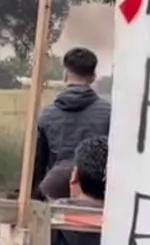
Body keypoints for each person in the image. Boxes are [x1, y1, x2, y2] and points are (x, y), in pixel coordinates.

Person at [33, 47, 111, 201]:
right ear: (93, 76)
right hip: (95, 197)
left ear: (65, 75)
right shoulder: (110, 113)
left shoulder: (47, 115)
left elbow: (38, 166)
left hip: (54, 194)